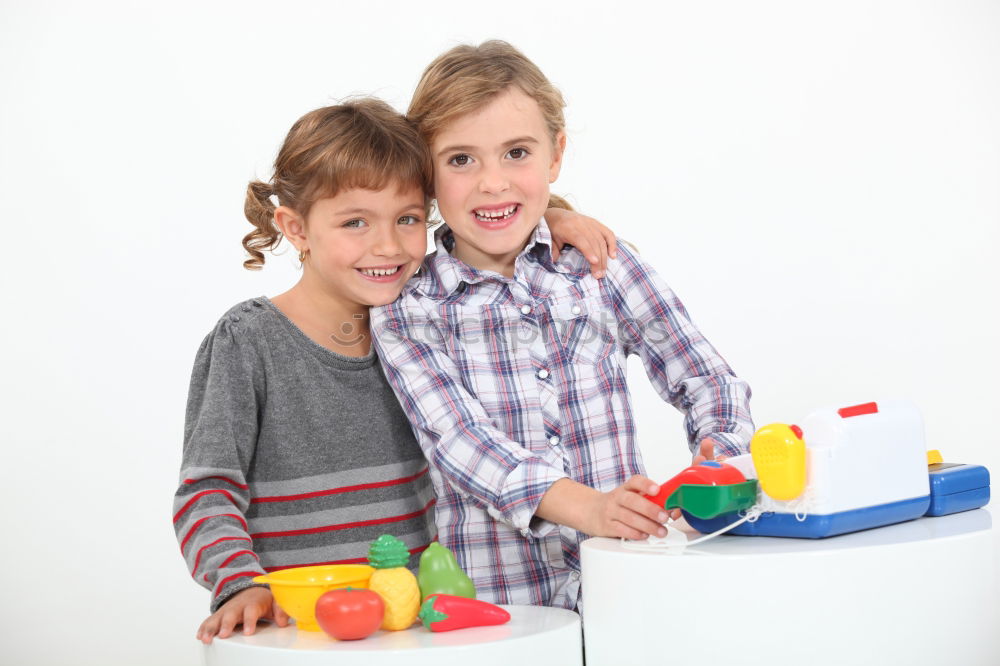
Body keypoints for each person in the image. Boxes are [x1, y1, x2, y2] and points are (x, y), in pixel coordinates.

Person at [174, 97, 617, 642]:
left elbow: (483, 234)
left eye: (407, 219)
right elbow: (207, 488)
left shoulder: (428, 325)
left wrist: (552, 217)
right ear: (295, 227)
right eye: (355, 222)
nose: (386, 245)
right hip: (299, 630)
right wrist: (239, 583)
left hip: (418, 630)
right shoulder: (248, 342)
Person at [371, 41, 755, 611]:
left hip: (631, 585)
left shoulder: (600, 265)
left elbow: (704, 376)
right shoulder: (407, 309)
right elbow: (461, 442)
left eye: (517, 153)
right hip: (499, 608)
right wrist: (589, 508)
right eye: (461, 160)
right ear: (425, 176)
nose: (493, 183)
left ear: (555, 156)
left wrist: (717, 463)